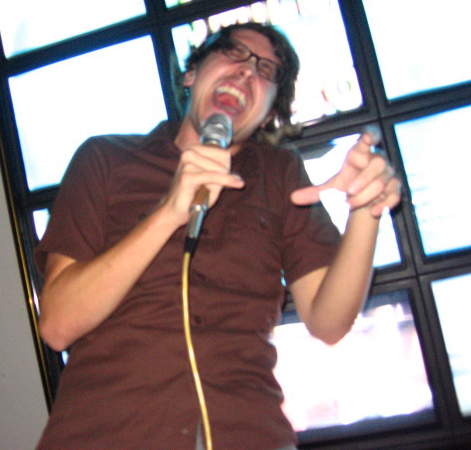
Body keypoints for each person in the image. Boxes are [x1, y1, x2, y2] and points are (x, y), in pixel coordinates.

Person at [34, 22, 401, 450]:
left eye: (266, 70)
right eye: (233, 52)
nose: (247, 71)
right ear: (190, 74)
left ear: (269, 112)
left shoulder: (279, 173)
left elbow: (329, 323)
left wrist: (367, 211)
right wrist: (168, 213)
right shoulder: (106, 158)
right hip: (108, 433)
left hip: (246, 433)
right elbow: (57, 326)